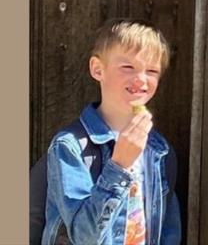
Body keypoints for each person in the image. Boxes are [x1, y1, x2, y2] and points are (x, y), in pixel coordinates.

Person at [39, 18, 180, 245]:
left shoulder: (160, 150)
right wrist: (119, 167)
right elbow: (83, 236)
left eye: (152, 70)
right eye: (128, 67)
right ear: (97, 69)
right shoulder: (70, 146)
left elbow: (168, 231)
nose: (141, 79)